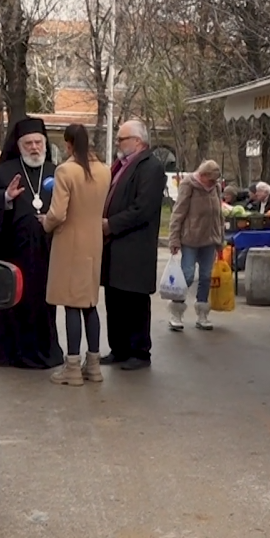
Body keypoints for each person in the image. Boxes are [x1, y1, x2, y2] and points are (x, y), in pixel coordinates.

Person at [0, 117, 65, 370]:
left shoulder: (56, 171)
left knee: (43, 304)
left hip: (47, 253)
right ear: (19, 145)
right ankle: (10, 353)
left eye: (38, 142)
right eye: (29, 143)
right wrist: (4, 197)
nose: (34, 148)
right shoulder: (3, 171)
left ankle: (45, 351)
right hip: (13, 252)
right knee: (15, 302)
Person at [41, 124, 112, 386]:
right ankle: (93, 365)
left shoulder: (66, 170)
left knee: (71, 303)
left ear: (68, 144)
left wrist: (46, 223)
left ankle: (71, 367)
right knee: (90, 303)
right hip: (94, 242)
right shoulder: (104, 171)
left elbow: (58, 212)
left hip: (70, 242)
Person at [99, 120, 166, 371]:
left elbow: (143, 209)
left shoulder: (150, 167)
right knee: (115, 299)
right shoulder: (122, 166)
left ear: (138, 141)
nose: (118, 144)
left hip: (135, 246)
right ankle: (119, 348)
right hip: (115, 246)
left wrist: (111, 224)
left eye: (121, 139)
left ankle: (139, 352)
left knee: (134, 302)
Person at [166, 160, 225, 331]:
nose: (213, 184)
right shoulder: (188, 185)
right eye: (211, 180)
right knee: (188, 274)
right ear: (203, 175)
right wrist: (174, 239)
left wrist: (220, 238)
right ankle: (176, 312)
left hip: (210, 239)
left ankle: (202, 314)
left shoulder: (215, 188)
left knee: (206, 276)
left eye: (216, 181)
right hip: (190, 238)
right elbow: (178, 212)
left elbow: (218, 214)